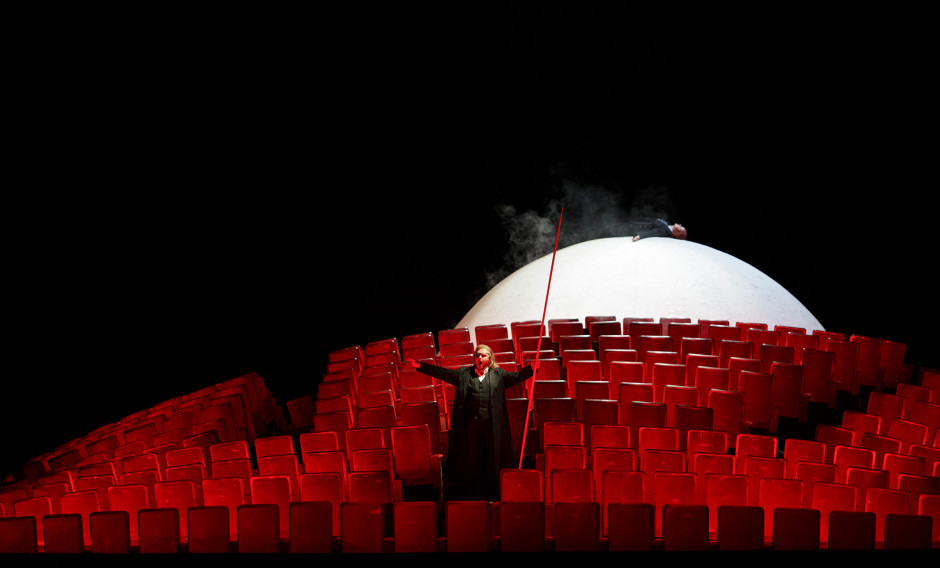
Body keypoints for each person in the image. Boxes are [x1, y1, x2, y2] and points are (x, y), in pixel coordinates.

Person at [402, 345, 540, 501]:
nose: (479, 358)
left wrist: (531, 368)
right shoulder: (464, 374)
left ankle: (494, 495)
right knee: (473, 460)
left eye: (483, 355)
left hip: (492, 427)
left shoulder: (498, 375)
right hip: (470, 428)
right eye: (477, 355)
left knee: (492, 459)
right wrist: (420, 365)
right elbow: (442, 373)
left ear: (490, 358)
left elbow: (517, 376)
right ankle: (475, 496)